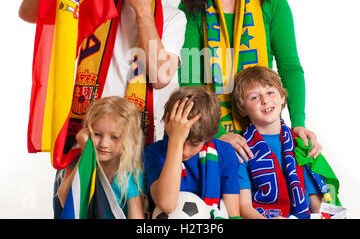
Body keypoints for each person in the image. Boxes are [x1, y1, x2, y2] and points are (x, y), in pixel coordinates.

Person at [19, 0, 186, 145]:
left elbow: (160, 78)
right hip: (84, 133)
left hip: (133, 142)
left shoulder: (174, 18)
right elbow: (29, 13)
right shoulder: (95, 0)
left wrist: (144, 10)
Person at [177, 0, 321, 162]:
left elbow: (289, 68)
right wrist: (218, 134)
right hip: (213, 132)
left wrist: (298, 122)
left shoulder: (271, 1)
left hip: (265, 125)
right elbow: (190, 81)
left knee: (315, 173)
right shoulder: (192, 9)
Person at [232, 66, 322, 218]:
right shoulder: (242, 148)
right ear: (242, 109)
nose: (265, 100)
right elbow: (243, 206)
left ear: (282, 97)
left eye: (270, 92)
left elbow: (315, 201)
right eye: (254, 97)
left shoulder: (300, 142)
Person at [144, 86, 240, 218]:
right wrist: (176, 140)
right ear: (167, 124)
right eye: (182, 143)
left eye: (194, 144)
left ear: (207, 138)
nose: (184, 151)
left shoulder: (225, 152)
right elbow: (166, 204)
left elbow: (232, 214)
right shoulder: (153, 153)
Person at [55, 96, 145, 219]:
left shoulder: (130, 174)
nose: (104, 144)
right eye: (97, 134)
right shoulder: (77, 158)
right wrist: (85, 153)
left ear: (129, 140)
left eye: (115, 137)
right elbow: (64, 199)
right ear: (87, 131)